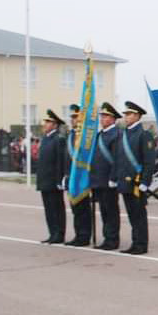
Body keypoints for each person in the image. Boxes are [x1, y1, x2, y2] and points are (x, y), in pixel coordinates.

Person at [115, 101, 156, 255]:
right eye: (125, 114)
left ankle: (141, 244)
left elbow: (149, 161)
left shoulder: (144, 135)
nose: (126, 117)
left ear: (138, 116)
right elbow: (120, 160)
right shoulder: (124, 135)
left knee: (139, 215)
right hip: (125, 183)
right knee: (132, 215)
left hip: (137, 183)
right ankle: (135, 242)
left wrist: (145, 181)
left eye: (129, 114)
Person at [91, 102, 122, 250]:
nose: (102, 119)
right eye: (101, 116)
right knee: (104, 211)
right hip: (98, 180)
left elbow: (116, 158)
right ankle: (107, 238)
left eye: (105, 116)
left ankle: (112, 239)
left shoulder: (116, 134)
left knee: (111, 211)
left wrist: (113, 177)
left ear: (113, 118)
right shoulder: (100, 135)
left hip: (109, 180)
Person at [37, 109, 68, 244]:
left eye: (48, 122)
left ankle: (59, 234)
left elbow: (60, 161)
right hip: (44, 180)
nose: (45, 124)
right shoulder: (45, 139)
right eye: (46, 122)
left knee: (57, 209)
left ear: (55, 125)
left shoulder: (58, 139)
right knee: (48, 209)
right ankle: (52, 233)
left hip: (54, 180)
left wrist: (59, 179)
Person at [64, 104, 92, 246]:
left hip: (82, 178)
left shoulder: (86, 137)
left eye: (76, 117)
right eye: (72, 117)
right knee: (75, 209)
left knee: (83, 209)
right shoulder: (70, 135)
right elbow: (66, 158)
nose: (73, 120)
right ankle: (78, 234)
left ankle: (84, 235)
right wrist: (65, 176)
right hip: (72, 178)